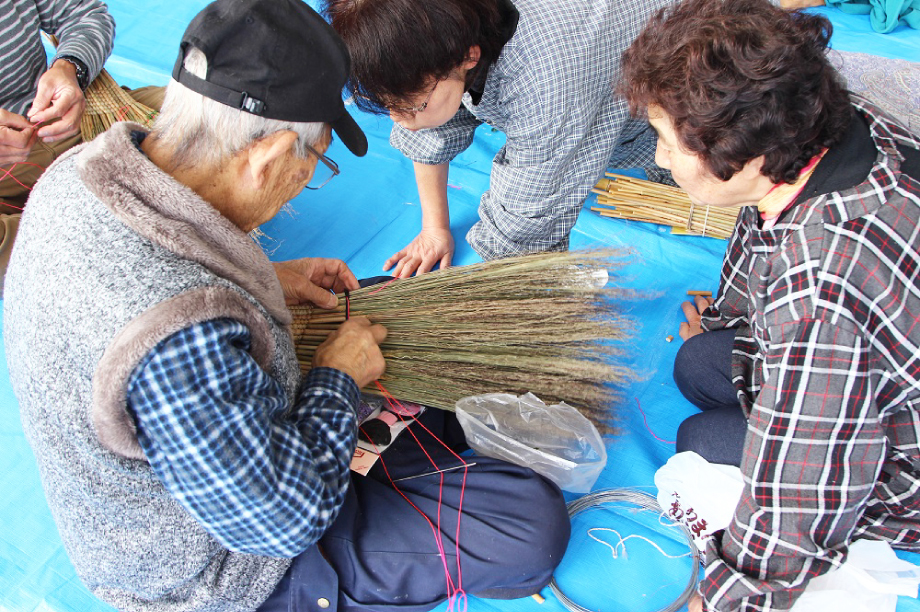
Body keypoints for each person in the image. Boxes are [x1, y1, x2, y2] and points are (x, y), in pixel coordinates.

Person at [4, 1, 570, 611]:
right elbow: (281, 522)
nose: (304, 183)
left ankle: (405, 433)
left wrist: (264, 276)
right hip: (225, 563)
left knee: (379, 307)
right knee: (528, 525)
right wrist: (337, 379)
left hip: (219, 452)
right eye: (314, 166)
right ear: (268, 157)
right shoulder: (175, 341)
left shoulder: (78, 171)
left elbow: (130, 280)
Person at [619, 0, 920, 610]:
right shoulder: (831, 126)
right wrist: (735, 315)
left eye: (668, 142)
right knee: (699, 360)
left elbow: (803, 485)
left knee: (699, 438)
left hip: (897, 458)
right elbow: (761, 227)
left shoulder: (819, 292)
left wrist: (735, 593)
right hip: (869, 363)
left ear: (747, 155)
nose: (658, 159)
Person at [324, 0, 673, 277]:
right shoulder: (444, 29)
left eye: (414, 107)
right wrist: (434, 229)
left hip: (671, 57)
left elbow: (525, 223)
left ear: (468, 57)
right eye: (390, 106)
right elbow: (430, 126)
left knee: (687, 148)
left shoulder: (545, 82)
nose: (404, 122)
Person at [0, 0, 163, 291]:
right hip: (5, 182)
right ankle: (131, 213)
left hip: (76, 120)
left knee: (221, 111)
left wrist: (70, 67)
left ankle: (102, 229)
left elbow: (84, 13)